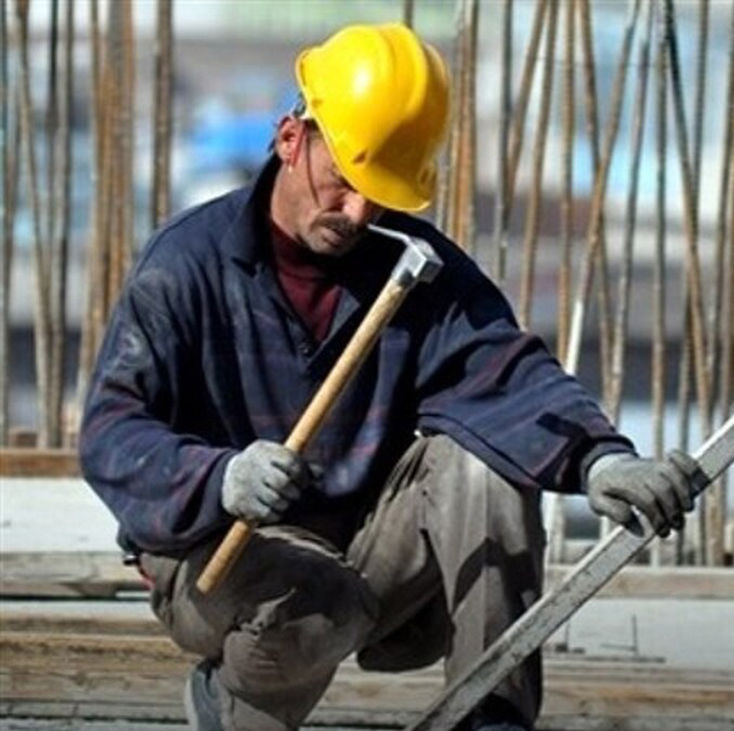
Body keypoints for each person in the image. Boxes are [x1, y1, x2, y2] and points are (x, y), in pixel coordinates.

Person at [79, 23, 700, 731]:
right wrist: (218, 478)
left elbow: (505, 373)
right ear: (290, 139)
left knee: (486, 467)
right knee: (316, 596)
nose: (358, 213)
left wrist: (598, 459)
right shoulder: (185, 266)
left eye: (379, 195)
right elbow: (111, 433)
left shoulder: (410, 263)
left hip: (366, 558)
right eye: (346, 183)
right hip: (218, 561)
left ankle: (490, 715)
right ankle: (235, 703)